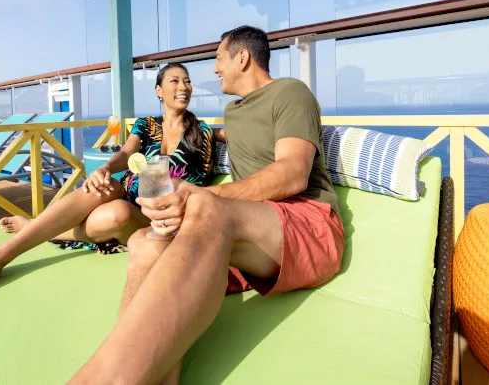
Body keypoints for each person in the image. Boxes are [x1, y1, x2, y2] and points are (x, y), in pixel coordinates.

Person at [67, 26, 345, 385]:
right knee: (145, 241)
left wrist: (201, 196)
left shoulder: (290, 92)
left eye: (218, 58)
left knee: (205, 207)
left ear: (242, 58)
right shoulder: (233, 112)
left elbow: (293, 174)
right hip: (248, 233)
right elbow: (216, 136)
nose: (214, 69)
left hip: (306, 225)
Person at [0, 63, 216, 302]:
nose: (184, 86)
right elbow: (128, 153)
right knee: (106, 189)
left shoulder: (202, 131)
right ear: (158, 90)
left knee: (117, 214)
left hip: (159, 219)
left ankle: (28, 231)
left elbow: (204, 175)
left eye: (187, 81)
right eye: (174, 81)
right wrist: (104, 168)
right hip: (128, 195)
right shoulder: (146, 124)